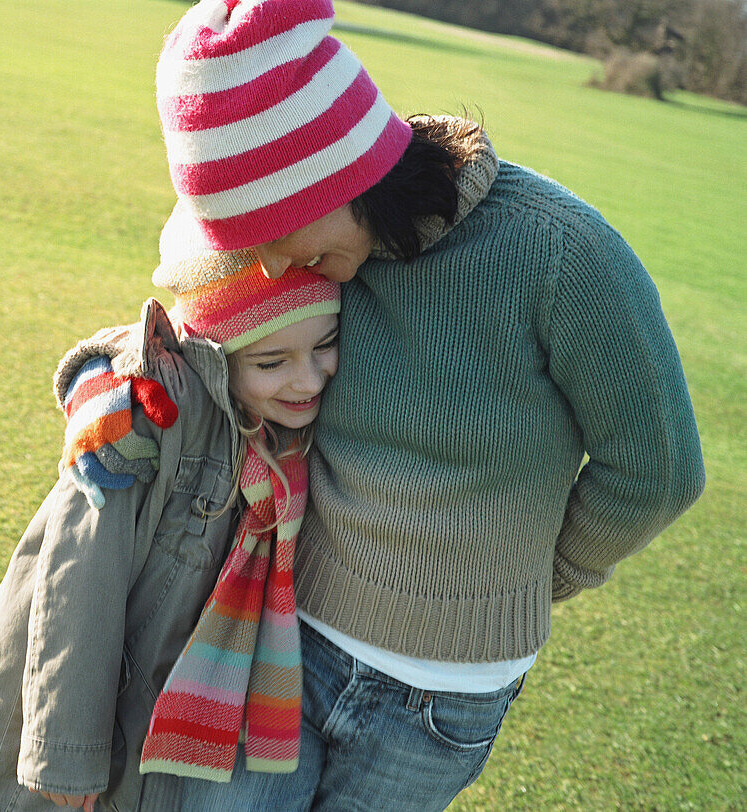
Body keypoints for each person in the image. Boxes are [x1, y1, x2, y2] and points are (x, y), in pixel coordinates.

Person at [60, 0, 707, 808]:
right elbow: (198, 333)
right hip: (286, 649)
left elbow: (660, 469)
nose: (268, 268)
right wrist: (100, 377)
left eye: (271, 235)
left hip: (442, 704)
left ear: (332, 168)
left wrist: (549, 570)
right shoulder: (325, 250)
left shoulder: (562, 255)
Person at [0, 213, 343, 811]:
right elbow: (77, 577)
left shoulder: (272, 443)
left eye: (325, 345)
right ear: (219, 353)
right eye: (273, 362)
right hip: (38, 735)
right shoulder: (145, 416)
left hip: (139, 738)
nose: (309, 378)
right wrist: (65, 750)